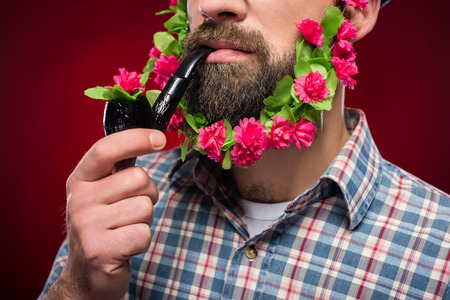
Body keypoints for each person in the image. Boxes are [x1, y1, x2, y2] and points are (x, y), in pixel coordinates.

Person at [41, 0, 450, 298]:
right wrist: (80, 288)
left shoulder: (440, 254)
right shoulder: (120, 206)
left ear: (353, 10)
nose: (215, 4)